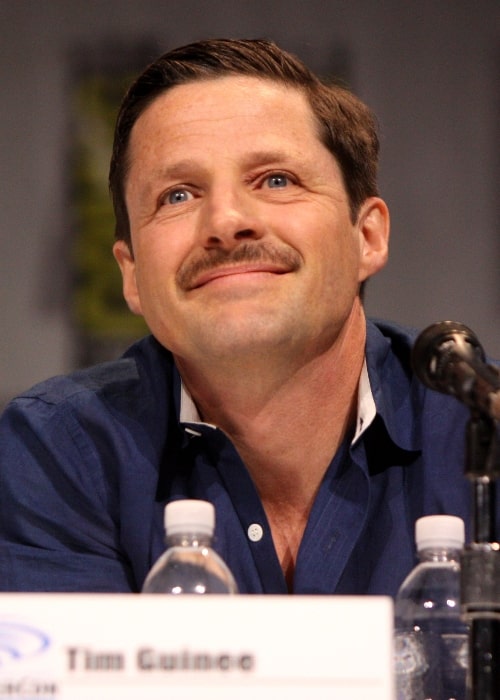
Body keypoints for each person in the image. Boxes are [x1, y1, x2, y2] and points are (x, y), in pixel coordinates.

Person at [0, 38, 478, 594]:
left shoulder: (478, 429)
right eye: (177, 195)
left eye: (276, 180)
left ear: (367, 235)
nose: (226, 222)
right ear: (131, 275)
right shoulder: (62, 451)